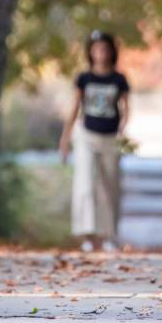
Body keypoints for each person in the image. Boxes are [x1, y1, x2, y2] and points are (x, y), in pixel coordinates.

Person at [58, 30, 130, 252]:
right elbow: (74, 108)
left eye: (105, 49)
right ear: (90, 52)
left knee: (108, 186)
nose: (101, 53)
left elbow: (126, 109)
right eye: (96, 49)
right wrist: (65, 137)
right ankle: (87, 235)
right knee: (86, 184)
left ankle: (108, 234)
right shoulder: (84, 78)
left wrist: (122, 131)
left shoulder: (119, 79)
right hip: (86, 135)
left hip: (110, 137)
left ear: (111, 52)